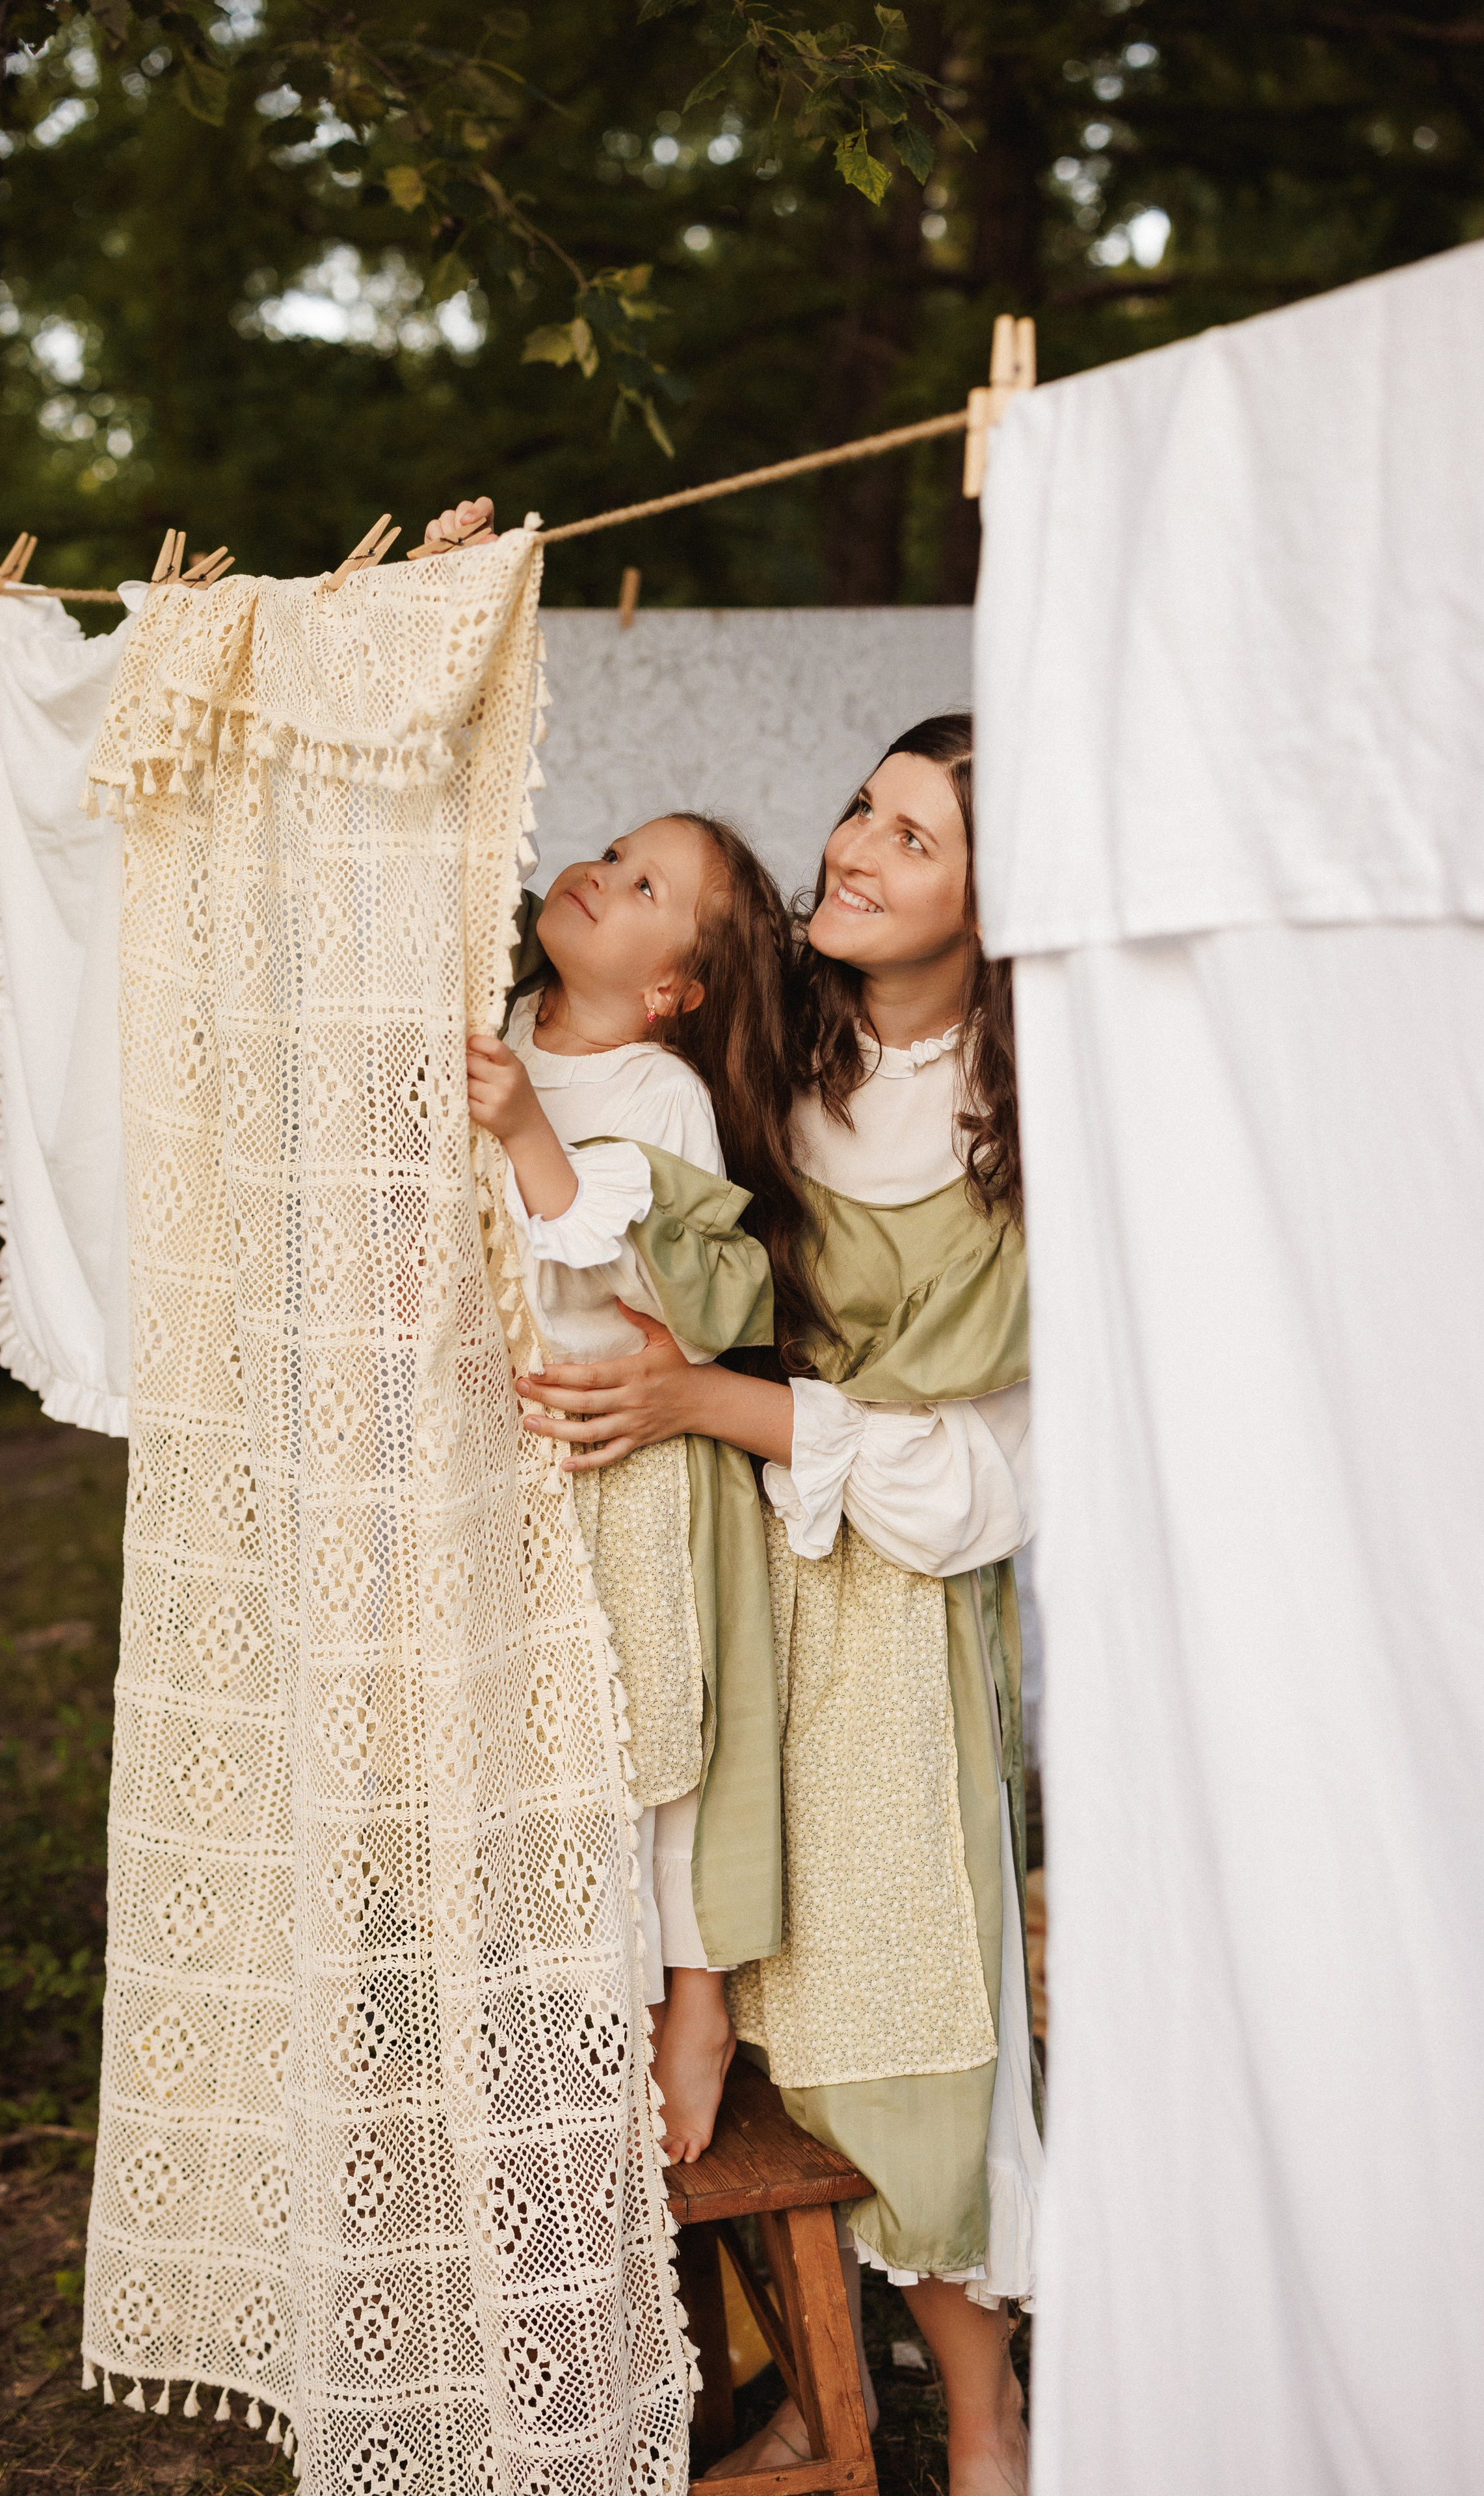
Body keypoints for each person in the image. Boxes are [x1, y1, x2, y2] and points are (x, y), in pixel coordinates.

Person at [514, 715, 1040, 2496]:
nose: (860, 848)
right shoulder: (762, 1059)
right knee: (743, 2023)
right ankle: (812, 2390)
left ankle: (981, 2422)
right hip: (732, 1570)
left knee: (897, 2025)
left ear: (1001, 900)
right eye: (865, 808)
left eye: (918, 837)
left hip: (892, 1615)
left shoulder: (1028, 1137)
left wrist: (705, 1403)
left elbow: (981, 1481)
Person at [466, 791, 818, 2164]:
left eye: (644, 886)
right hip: (500, 1457)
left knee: (649, 1735)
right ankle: (535, 2004)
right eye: (612, 854)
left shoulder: (658, 1091)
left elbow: (665, 1275)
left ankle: (688, 1997)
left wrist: (525, 1136)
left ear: (675, 987)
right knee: (522, 1738)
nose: (599, 877)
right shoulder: (498, 1026)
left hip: (629, 1461)